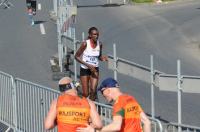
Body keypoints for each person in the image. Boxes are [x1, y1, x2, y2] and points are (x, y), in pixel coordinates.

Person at [77, 77, 151, 132]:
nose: (103, 95)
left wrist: (94, 131)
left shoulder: (119, 103)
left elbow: (116, 126)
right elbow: (146, 122)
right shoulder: (131, 99)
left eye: (102, 92)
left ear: (107, 90)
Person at [75, 27, 108, 101]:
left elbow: (98, 57)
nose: (96, 36)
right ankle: (78, 87)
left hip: (95, 69)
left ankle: (91, 108)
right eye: (94, 34)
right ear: (90, 35)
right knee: (86, 93)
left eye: (97, 34)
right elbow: (76, 57)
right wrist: (88, 65)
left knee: (93, 91)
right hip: (85, 69)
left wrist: (103, 58)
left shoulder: (100, 44)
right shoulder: (85, 44)